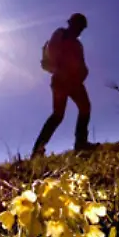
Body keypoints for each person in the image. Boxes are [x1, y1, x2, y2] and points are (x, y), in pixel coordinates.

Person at [32, 13, 99, 158]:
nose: (80, 30)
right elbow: (52, 50)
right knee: (58, 115)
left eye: (82, 28)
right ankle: (38, 149)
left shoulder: (78, 44)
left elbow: (82, 64)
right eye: (79, 26)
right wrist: (60, 70)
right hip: (61, 80)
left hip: (74, 81)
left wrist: (82, 74)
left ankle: (81, 143)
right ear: (72, 24)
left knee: (85, 107)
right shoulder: (60, 33)